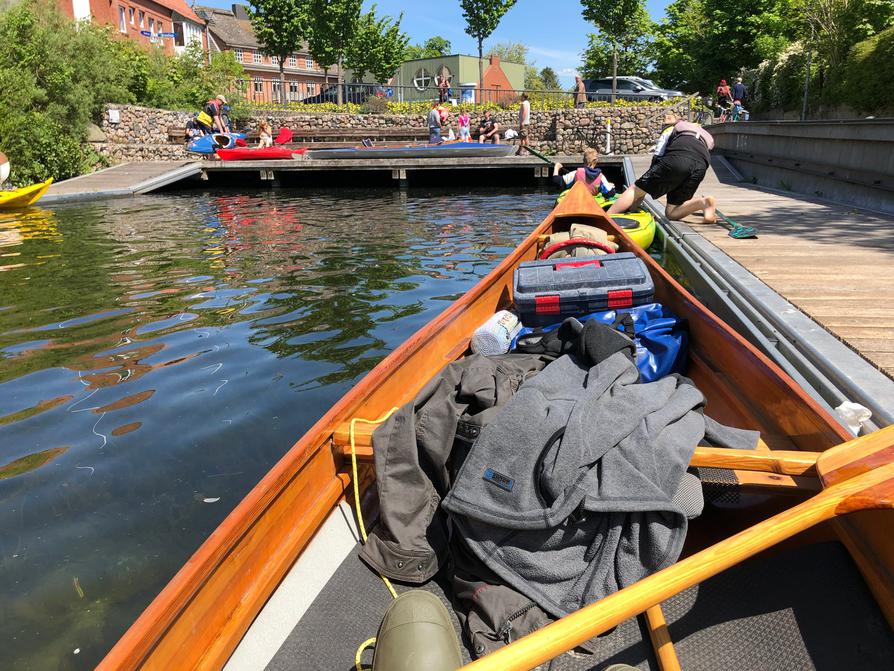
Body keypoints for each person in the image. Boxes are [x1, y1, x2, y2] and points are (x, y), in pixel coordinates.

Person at [607, 111, 717, 223]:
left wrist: (643, 188)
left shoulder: (668, 131)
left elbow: (657, 158)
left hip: (678, 156)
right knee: (671, 212)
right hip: (701, 165)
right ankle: (704, 203)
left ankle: (606, 217)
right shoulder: (699, 132)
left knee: (634, 189)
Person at [552, 146, 616, 197]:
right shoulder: (601, 177)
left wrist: (557, 167)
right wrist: (610, 187)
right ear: (596, 162)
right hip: (590, 205)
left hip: (577, 203)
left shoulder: (576, 173)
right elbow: (610, 194)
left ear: (583, 161)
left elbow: (556, 181)